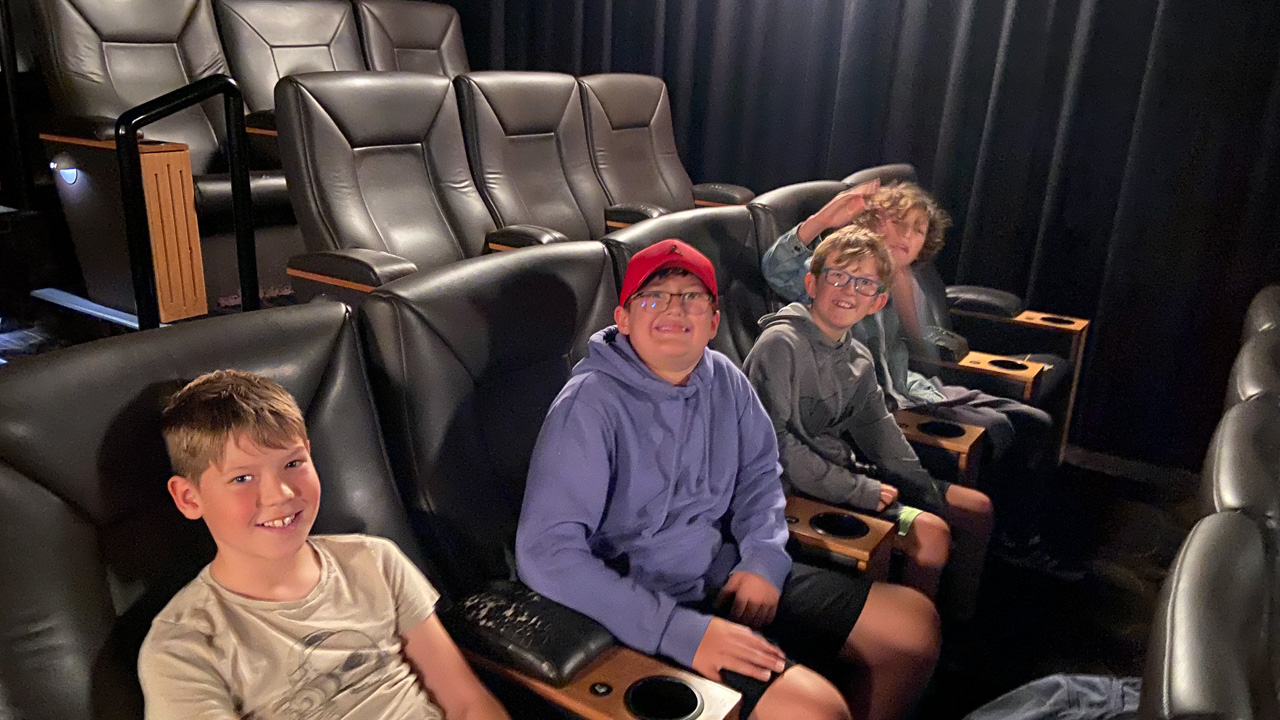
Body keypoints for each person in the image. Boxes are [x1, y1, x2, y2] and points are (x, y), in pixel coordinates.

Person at [516, 240, 940, 720]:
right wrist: (675, 630)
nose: (675, 308)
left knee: (911, 627)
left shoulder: (724, 377)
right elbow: (546, 553)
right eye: (653, 297)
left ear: (713, 321)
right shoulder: (589, 404)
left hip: (720, 570)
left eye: (692, 298)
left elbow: (759, 474)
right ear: (624, 318)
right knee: (814, 710)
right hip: (634, 602)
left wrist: (763, 557)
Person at [138, 370, 509, 720]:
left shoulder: (376, 561)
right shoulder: (183, 647)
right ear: (189, 498)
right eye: (242, 478)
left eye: (293, 463)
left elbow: (466, 703)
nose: (281, 494)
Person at [761, 181, 1077, 579]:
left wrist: (903, 285)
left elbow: (922, 350)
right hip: (862, 434)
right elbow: (778, 266)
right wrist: (824, 219)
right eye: (899, 223)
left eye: (918, 229)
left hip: (908, 390)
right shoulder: (808, 314)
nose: (908, 236)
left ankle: (1007, 542)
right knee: (989, 443)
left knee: (1028, 428)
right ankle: (1006, 545)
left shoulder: (891, 287)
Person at [744, 225, 993, 613]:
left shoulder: (858, 357)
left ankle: (956, 624)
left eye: (864, 283)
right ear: (811, 284)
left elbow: (881, 434)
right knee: (931, 535)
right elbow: (773, 446)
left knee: (974, 509)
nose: (848, 290)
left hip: (839, 470)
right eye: (838, 276)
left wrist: (923, 491)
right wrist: (858, 490)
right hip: (788, 488)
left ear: (877, 302)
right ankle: (916, 626)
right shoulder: (780, 345)